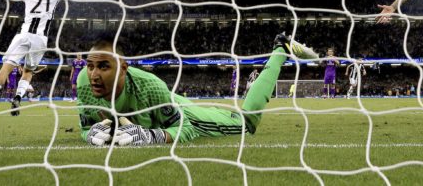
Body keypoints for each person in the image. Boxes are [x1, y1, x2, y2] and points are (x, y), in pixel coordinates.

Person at [77, 33, 318, 146]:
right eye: (90, 66)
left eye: (103, 66)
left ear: (122, 68)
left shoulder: (150, 85)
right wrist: (88, 134)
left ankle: (280, 48)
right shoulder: (84, 84)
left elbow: (185, 128)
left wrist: (152, 136)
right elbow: (86, 128)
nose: (94, 75)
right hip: (165, 103)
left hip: (183, 114)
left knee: (246, 123)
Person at [0, 0, 114, 118]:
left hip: (22, 36)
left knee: (5, 69)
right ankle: (17, 98)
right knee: (28, 71)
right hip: (40, 39)